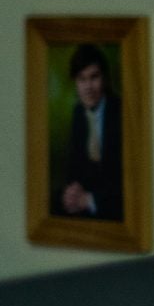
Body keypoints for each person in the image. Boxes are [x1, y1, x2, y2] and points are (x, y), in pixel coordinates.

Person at [54, 43, 122, 220]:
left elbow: (127, 181)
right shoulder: (78, 112)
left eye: (94, 77)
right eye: (81, 79)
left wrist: (91, 200)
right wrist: (73, 190)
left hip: (113, 204)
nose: (88, 87)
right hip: (87, 200)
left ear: (105, 78)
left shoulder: (121, 112)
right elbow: (74, 165)